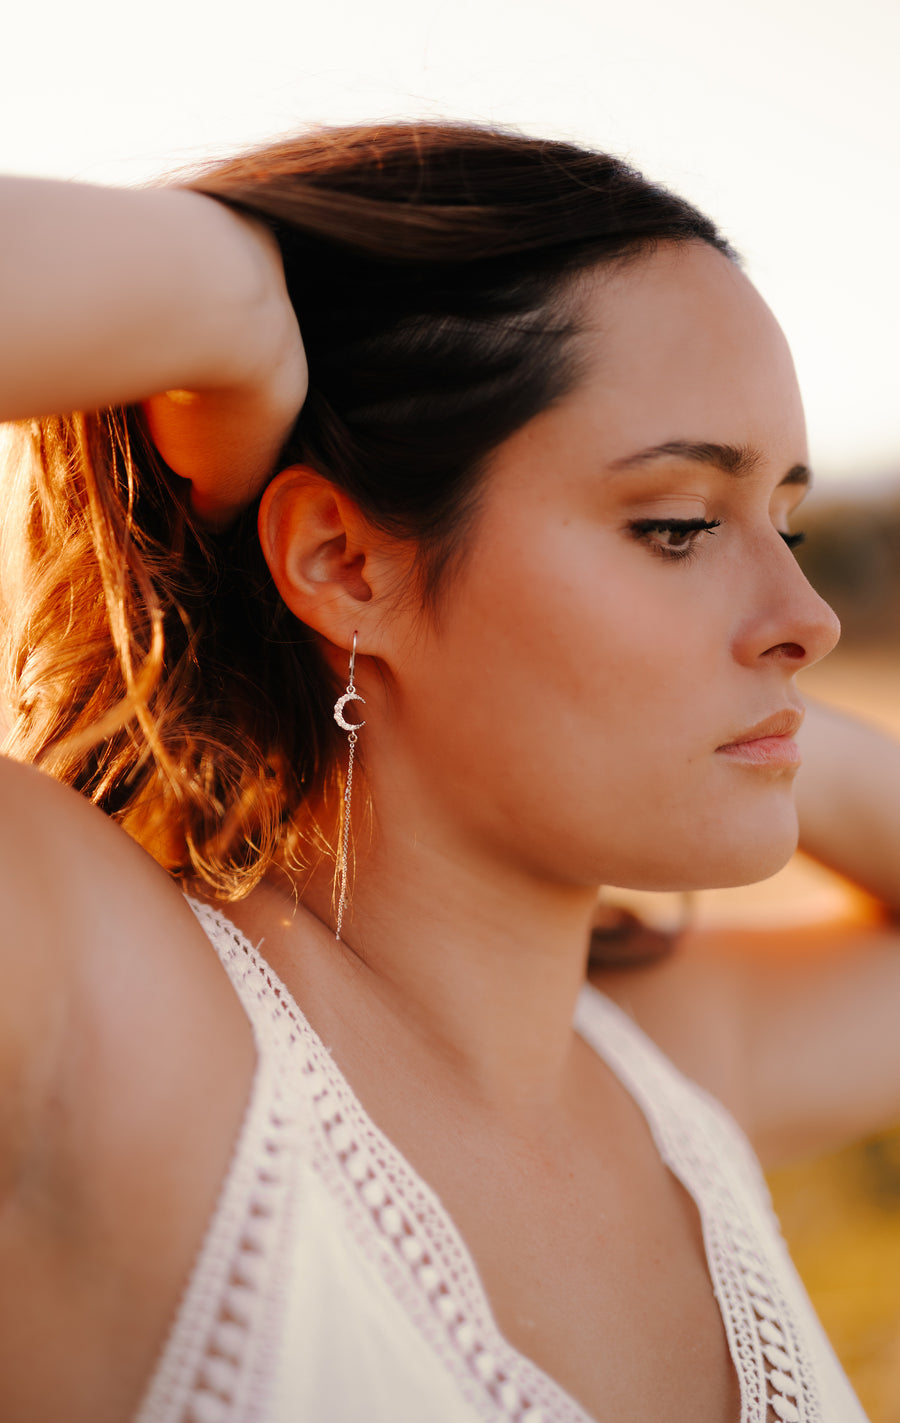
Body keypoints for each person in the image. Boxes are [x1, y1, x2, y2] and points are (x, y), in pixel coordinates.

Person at [1, 123, 898, 1423]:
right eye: (680, 527)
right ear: (346, 565)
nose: (807, 614)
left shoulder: (672, 1073)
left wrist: (768, 727)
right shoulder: (107, 1013)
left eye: (789, 521)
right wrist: (229, 290)